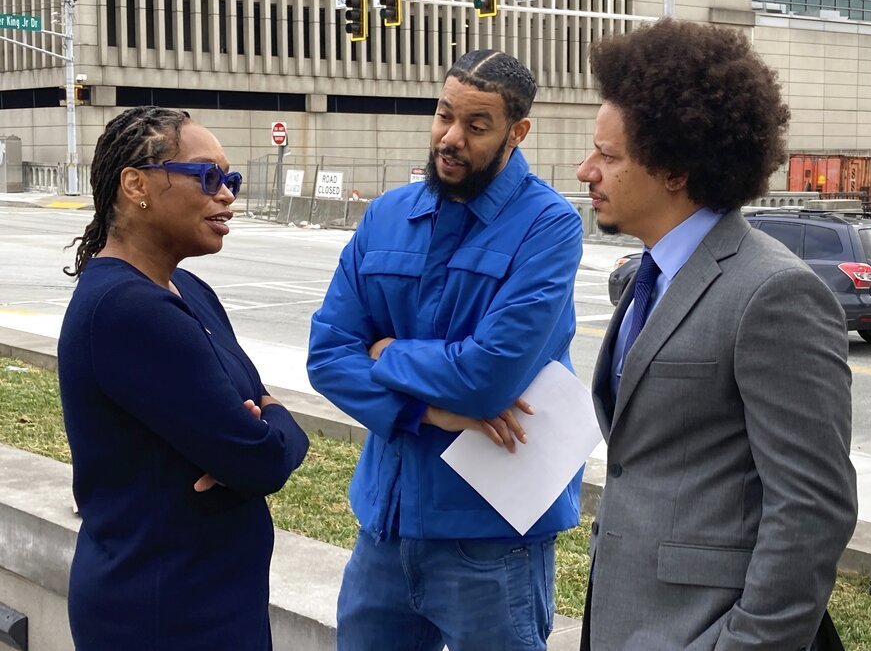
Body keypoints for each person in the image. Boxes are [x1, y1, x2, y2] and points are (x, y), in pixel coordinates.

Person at [576, 19, 858, 650]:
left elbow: (811, 511)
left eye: (609, 155)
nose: (585, 168)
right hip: (627, 620)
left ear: (675, 169)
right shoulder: (645, 277)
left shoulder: (774, 294)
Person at [308, 49, 584, 651]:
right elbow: (328, 356)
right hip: (385, 528)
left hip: (493, 539)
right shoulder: (386, 216)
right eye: (443, 116)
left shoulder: (549, 225)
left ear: (518, 133)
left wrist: (387, 354)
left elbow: (488, 378)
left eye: (476, 126)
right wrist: (423, 411)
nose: (451, 138)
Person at [58, 106, 309, 650]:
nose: (227, 195)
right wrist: (274, 425)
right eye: (208, 177)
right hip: (163, 609)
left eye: (231, 180)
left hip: (212, 592)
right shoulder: (126, 309)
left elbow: (254, 422)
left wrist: (264, 423)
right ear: (136, 185)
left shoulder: (187, 290)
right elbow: (261, 457)